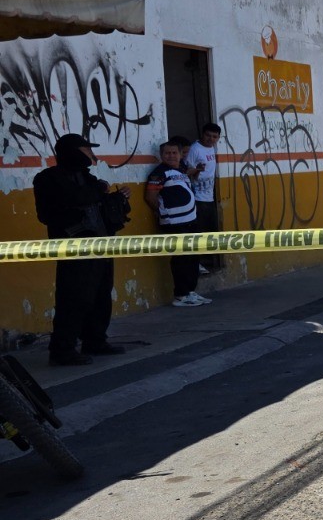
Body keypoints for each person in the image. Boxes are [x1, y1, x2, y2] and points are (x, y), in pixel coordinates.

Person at [33, 134, 132, 365]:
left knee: (100, 295)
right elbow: (52, 211)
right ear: (73, 150)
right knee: (73, 298)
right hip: (74, 248)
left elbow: (95, 203)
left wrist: (116, 200)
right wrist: (97, 192)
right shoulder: (48, 179)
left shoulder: (87, 178)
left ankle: (95, 340)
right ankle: (63, 349)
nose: (90, 153)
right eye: (86, 149)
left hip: (100, 244)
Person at [145, 140, 210, 307]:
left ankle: (190, 292)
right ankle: (181, 295)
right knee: (181, 258)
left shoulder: (181, 169)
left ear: (181, 154)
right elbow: (150, 197)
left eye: (174, 153)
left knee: (193, 256)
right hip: (174, 224)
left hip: (190, 220)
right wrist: (164, 212)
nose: (171, 156)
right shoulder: (159, 173)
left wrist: (196, 171)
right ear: (161, 155)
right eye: (167, 153)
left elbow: (190, 173)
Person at [185, 122, 223, 273]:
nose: (211, 139)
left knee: (210, 230)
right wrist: (197, 171)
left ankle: (205, 261)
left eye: (214, 137)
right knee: (198, 231)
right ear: (202, 134)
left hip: (209, 197)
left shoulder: (212, 148)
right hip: (197, 196)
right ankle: (197, 263)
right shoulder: (195, 149)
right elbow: (187, 170)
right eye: (208, 135)